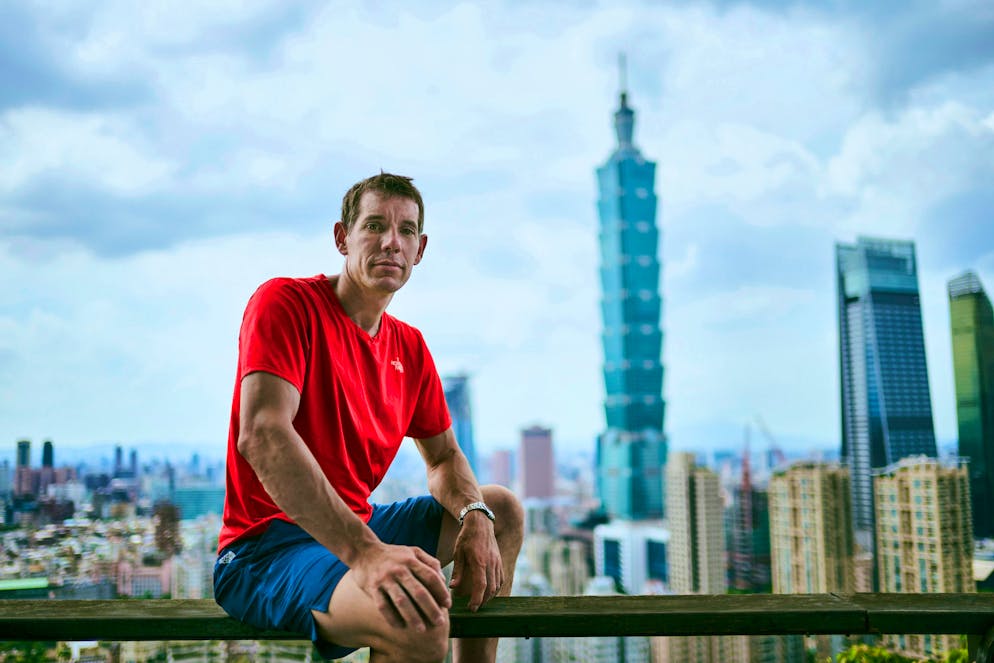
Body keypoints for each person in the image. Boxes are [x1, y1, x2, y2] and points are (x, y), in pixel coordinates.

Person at [214, 172, 524, 663]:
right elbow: (263, 434)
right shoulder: (286, 304)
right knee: (415, 619)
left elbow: (443, 457)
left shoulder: (410, 347)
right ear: (342, 237)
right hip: (266, 550)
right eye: (374, 225)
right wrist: (367, 555)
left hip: (357, 529)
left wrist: (474, 515)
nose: (390, 242)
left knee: (500, 509)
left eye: (405, 231)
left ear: (420, 250)